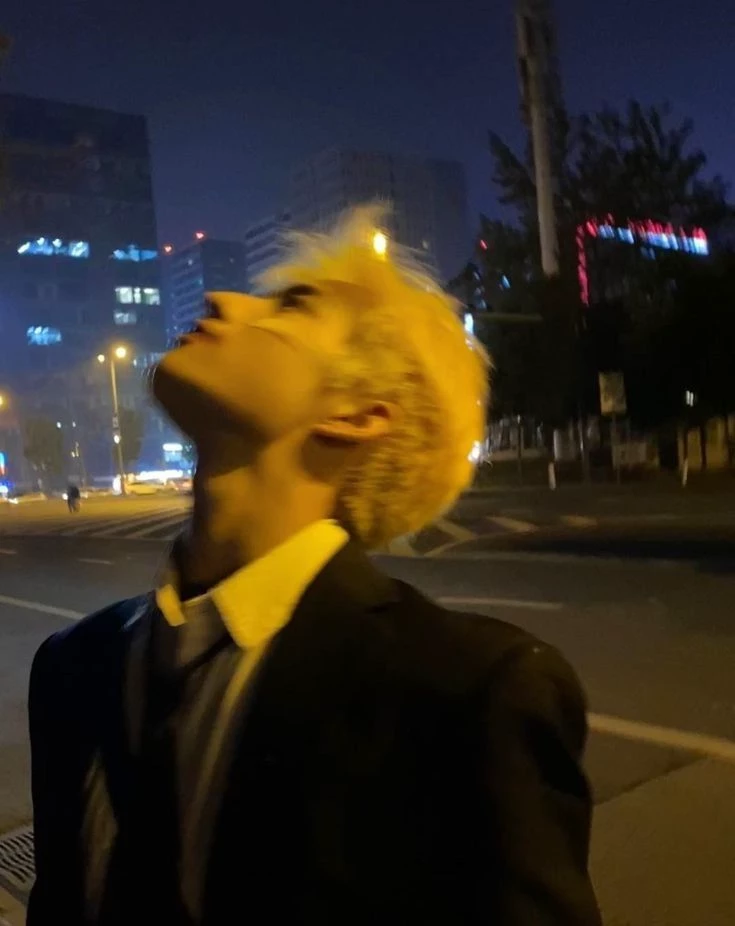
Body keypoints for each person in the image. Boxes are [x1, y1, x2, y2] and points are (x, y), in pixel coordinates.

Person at [28, 206, 601, 925]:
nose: (222, 299)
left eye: (292, 305)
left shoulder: (468, 697)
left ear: (360, 413)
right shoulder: (73, 668)